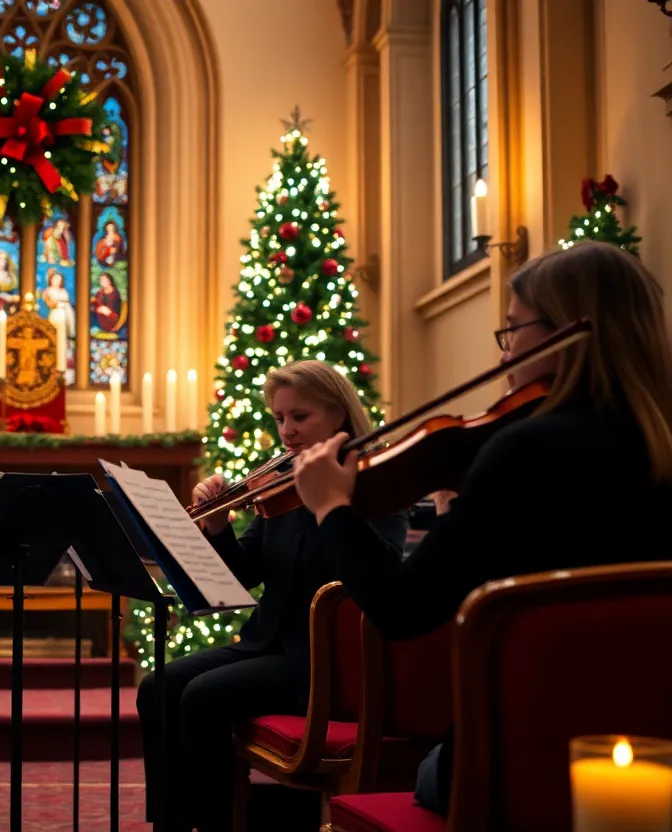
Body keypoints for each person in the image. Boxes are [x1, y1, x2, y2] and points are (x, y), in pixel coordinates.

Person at [291, 241, 672, 814]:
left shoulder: (524, 448)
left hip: (524, 755)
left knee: (428, 769)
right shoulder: (654, 443)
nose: (503, 355)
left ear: (567, 329)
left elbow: (403, 608)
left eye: (513, 330)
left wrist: (331, 510)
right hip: (653, 748)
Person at [137, 360, 409, 831]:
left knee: (202, 696)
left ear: (339, 415)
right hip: (267, 645)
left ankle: (215, 824)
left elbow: (374, 571)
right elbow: (244, 573)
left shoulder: (373, 482)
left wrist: (322, 502)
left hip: (325, 663)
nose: (287, 432)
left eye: (300, 417)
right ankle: (173, 822)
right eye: (280, 418)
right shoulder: (280, 484)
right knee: (156, 686)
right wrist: (217, 525)